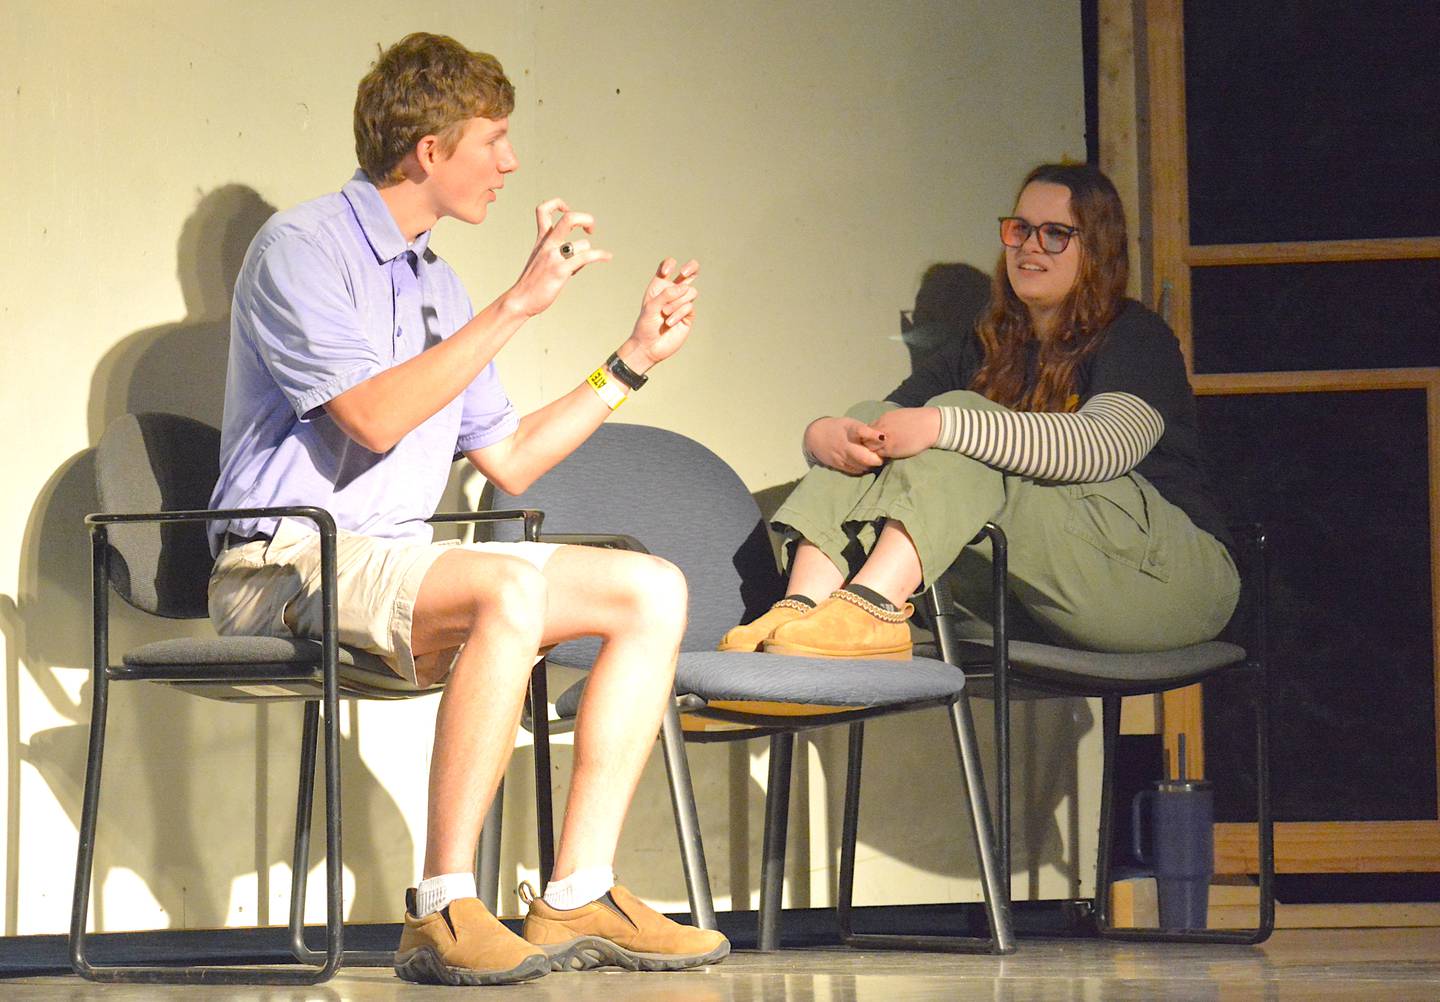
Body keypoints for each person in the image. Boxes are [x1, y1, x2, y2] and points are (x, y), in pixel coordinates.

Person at [206, 32, 727, 987]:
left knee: (650, 588)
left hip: (392, 564)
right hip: (284, 566)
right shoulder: (302, 250)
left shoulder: (439, 283)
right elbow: (368, 419)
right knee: (506, 592)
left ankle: (577, 891)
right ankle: (442, 905)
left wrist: (632, 361)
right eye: (493, 138)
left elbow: (513, 459)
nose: (511, 162)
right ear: (429, 149)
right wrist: (520, 303)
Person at [720, 163, 1238, 661]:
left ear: (1097, 249)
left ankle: (874, 607)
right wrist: (823, 436)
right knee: (875, 414)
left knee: (957, 422)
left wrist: (947, 424)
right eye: (1020, 229)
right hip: (1051, 588)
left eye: (1056, 233)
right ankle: (803, 607)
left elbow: (1105, 446)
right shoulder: (988, 345)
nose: (1030, 246)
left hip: (1170, 581)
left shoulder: (1135, 337)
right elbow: (887, 424)